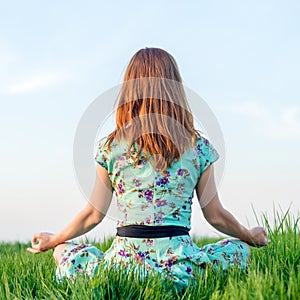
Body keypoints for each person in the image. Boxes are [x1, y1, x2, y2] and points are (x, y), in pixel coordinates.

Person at [27, 47, 269, 288]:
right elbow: (215, 215)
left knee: (62, 252)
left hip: (124, 272)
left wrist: (54, 239)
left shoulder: (111, 148)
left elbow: (93, 215)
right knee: (240, 249)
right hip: (182, 271)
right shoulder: (199, 147)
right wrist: (249, 235)